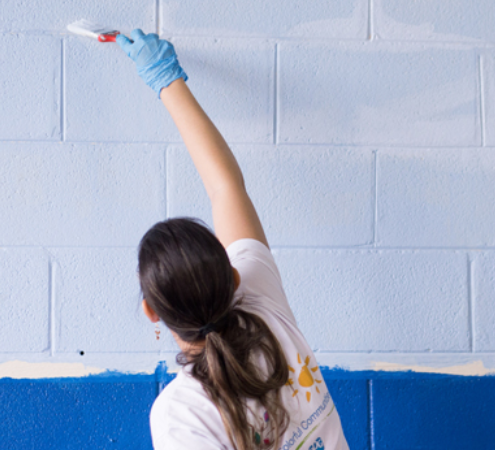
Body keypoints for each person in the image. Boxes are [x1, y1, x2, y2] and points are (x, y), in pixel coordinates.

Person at [116, 29, 350, 450]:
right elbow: (225, 186)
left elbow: (226, 188)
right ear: (233, 277)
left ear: (152, 312)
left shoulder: (181, 414)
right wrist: (166, 78)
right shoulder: (262, 300)